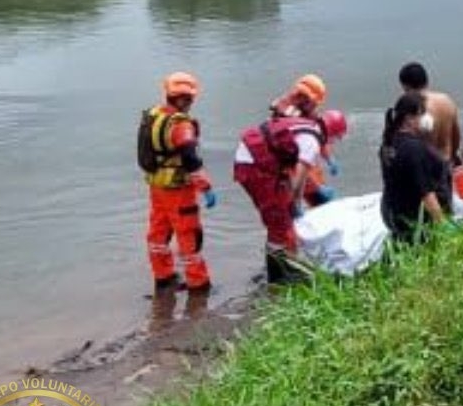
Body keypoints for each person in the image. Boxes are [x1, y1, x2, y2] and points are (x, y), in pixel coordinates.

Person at [233, 73, 330, 285]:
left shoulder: (287, 106)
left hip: (259, 160)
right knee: (281, 223)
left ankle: (279, 263)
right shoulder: (310, 133)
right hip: (258, 167)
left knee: (282, 218)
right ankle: (279, 278)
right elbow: (300, 175)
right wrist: (294, 202)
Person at [138, 71, 216, 294]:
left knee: (158, 233)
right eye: (190, 98)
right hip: (178, 189)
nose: (191, 102)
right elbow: (191, 159)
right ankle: (198, 285)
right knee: (189, 235)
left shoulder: (154, 114)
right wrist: (206, 188)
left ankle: (164, 278)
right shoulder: (180, 124)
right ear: (188, 98)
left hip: (156, 185)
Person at [379, 91, 451, 244]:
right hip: (413, 219)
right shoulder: (414, 150)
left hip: (391, 212)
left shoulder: (388, 143)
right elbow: (426, 194)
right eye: (422, 113)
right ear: (409, 119)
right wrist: (443, 226)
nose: (426, 118)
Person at [398, 62, 461, 210]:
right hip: (445, 164)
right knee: (446, 209)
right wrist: (453, 156)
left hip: (425, 172)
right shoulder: (447, 100)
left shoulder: (411, 109)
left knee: (424, 215)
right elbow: (456, 135)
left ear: (405, 87)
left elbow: (405, 146)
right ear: (426, 80)